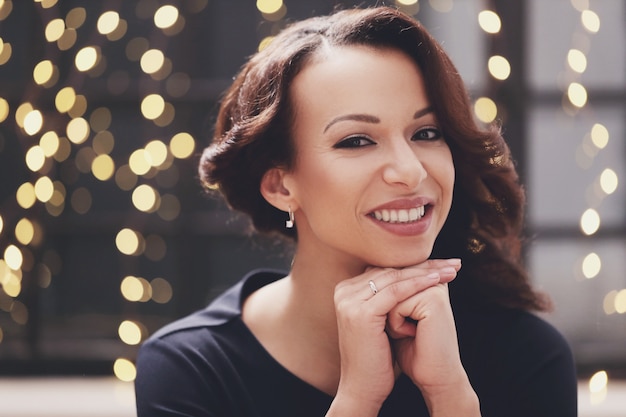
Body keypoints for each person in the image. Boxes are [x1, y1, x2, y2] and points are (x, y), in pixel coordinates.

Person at [135, 6, 577, 417]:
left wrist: (448, 394)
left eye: (426, 132)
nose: (410, 170)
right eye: (357, 140)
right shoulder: (191, 369)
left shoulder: (526, 355)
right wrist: (359, 397)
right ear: (279, 185)